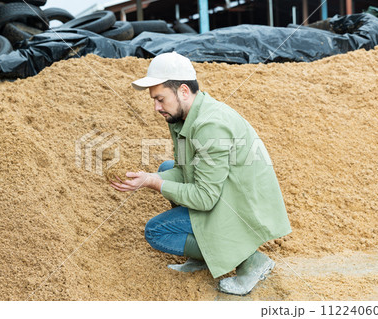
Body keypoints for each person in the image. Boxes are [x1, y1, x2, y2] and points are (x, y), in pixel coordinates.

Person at [110, 52, 291, 295]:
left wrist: (154, 183)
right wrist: (147, 178)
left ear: (183, 91)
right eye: (154, 100)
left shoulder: (209, 126)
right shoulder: (182, 118)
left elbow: (205, 198)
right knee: (165, 170)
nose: (156, 107)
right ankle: (204, 255)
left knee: (156, 232)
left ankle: (250, 261)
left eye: (160, 99)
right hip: (223, 189)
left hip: (241, 205)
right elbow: (184, 171)